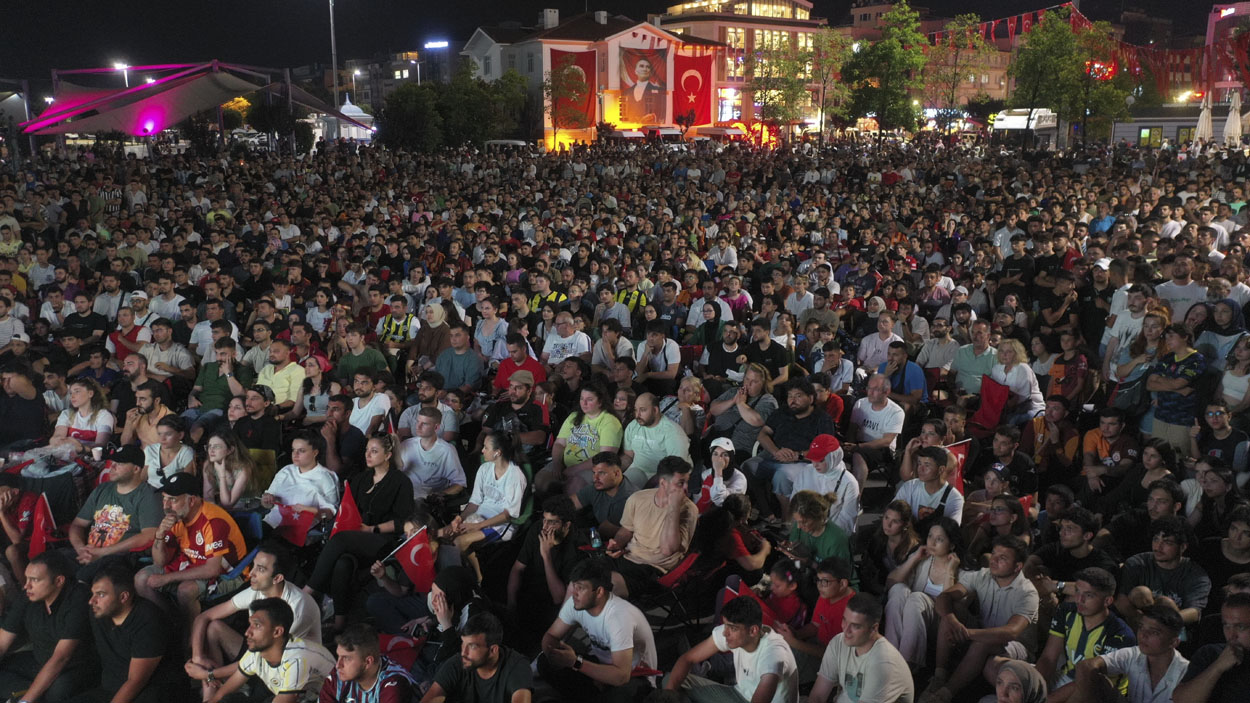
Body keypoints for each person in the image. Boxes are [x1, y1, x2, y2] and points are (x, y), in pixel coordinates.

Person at [305, 433, 414, 633]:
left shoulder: (401, 481)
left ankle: (307, 592)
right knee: (342, 563)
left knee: (340, 540)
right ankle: (340, 622)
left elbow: (403, 522)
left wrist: (372, 529)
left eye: (374, 451)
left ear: (388, 455)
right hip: (356, 538)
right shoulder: (361, 478)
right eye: (367, 450)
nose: (368, 455)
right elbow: (347, 509)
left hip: (383, 539)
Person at [187, 543, 321, 697]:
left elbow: (259, 659)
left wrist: (209, 674)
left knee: (212, 676)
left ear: (277, 578)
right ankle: (217, 691)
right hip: (259, 653)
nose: (251, 573)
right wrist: (198, 658)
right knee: (213, 628)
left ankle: (226, 688)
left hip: (287, 671)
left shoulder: (296, 609)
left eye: (260, 569)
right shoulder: (258, 591)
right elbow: (204, 617)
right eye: (254, 566)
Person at [922, 536, 1040, 703]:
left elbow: (1011, 632)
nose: (994, 560)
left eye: (1002, 558)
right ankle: (939, 677)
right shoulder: (983, 575)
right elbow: (944, 597)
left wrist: (967, 633)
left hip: (1017, 645)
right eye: (994, 554)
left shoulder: (1027, 592)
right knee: (952, 610)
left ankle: (945, 694)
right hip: (981, 630)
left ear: (1017, 566)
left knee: (983, 642)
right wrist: (952, 620)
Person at [136, 473, 248, 630]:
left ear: (191, 500)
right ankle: (171, 623)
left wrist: (167, 579)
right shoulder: (176, 517)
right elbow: (160, 562)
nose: (166, 506)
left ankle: (190, 635)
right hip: (190, 562)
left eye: (173, 500)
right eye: (164, 498)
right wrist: (160, 535)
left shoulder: (213, 521)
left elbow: (212, 569)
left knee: (185, 590)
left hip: (227, 574)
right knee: (141, 579)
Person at [538, 559, 656, 703]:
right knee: (544, 662)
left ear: (599, 591)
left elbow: (621, 676)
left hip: (633, 675)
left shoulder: (619, 618)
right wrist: (554, 654)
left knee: (620, 695)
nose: (574, 593)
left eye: (580, 588)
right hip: (600, 664)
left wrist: (575, 663)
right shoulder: (576, 603)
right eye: (573, 586)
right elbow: (551, 635)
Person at [187, 598, 336, 703]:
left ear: (277, 632)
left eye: (257, 625)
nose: (247, 632)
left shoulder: (296, 659)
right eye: (250, 624)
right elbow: (233, 682)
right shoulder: (257, 651)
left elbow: (284, 700)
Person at [72, 562, 176, 703]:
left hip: (147, 692)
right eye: (93, 594)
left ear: (123, 597)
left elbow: (136, 681)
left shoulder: (149, 620)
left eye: (101, 594)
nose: (92, 601)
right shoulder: (99, 612)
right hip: (110, 689)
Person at [665, 595, 799, 703]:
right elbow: (688, 659)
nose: (725, 633)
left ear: (753, 630)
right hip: (739, 694)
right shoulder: (734, 634)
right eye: (725, 625)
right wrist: (669, 697)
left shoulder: (774, 654)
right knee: (671, 681)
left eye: (732, 628)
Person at [1029, 568, 1136, 701]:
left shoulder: (1120, 634)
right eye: (1077, 591)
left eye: (1089, 595)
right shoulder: (1067, 611)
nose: (1080, 599)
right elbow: (1049, 658)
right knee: (1018, 675)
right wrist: (1033, 690)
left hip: (1101, 693)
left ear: (1107, 601)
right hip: (1066, 678)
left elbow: (1090, 681)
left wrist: (1046, 700)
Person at [440, 431, 528, 581]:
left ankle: (457, 580)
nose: (482, 450)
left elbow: (509, 514)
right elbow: (474, 502)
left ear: (497, 452)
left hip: (500, 525)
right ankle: (478, 577)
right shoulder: (484, 469)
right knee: (445, 536)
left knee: (459, 542)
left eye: (486, 447)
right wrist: (460, 518)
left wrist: (478, 526)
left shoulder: (515, 476)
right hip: (477, 518)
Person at [67, 444, 162, 581]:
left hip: (120, 558)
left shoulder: (149, 494)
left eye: (120, 463)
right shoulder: (102, 489)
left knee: (83, 577)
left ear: (136, 469)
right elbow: (78, 524)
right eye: (113, 462)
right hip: (88, 553)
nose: (112, 467)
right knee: (49, 563)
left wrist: (102, 553)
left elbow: (149, 535)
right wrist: (81, 549)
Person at [606, 456, 697, 597]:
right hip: (628, 558)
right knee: (585, 573)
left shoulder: (689, 509)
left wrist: (674, 507)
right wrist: (617, 543)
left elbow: (668, 549)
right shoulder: (638, 498)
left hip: (654, 569)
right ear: (663, 483)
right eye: (680, 483)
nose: (686, 488)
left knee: (607, 585)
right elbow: (626, 530)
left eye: (686, 482)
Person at [885, 516, 964, 670]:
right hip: (911, 624)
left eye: (939, 539)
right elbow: (891, 584)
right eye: (930, 536)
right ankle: (890, 654)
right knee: (898, 589)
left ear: (952, 545)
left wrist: (950, 571)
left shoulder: (960, 570)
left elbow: (949, 607)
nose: (932, 543)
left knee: (917, 598)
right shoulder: (923, 561)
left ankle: (908, 665)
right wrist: (914, 558)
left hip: (939, 626)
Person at [806, 593, 914, 703]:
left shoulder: (883, 663)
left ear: (874, 628)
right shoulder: (839, 642)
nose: (846, 630)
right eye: (844, 620)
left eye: (855, 626)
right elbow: (818, 696)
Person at [1070, 604, 1190, 703]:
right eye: (1141, 627)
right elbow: (1085, 666)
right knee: (1094, 678)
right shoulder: (1134, 653)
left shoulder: (1185, 672)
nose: (1143, 635)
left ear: (1174, 642)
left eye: (1154, 632)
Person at [1114, 516, 1211, 633]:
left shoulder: (1195, 574)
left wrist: (1161, 623)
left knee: (1165, 603)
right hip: (1139, 625)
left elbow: (1194, 612)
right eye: (1156, 539)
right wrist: (1144, 621)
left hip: (1172, 629)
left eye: (1167, 542)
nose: (1158, 546)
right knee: (1141, 593)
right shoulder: (1137, 563)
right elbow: (1120, 600)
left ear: (1182, 547)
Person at [1173, 592, 1250, 703]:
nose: (1231, 635)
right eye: (1226, 625)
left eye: (1240, 627)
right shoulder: (1210, 654)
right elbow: (1182, 701)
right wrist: (1217, 667)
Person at [322, 623, 418, 703]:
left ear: (368, 662)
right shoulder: (338, 675)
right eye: (338, 656)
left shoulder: (394, 684)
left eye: (346, 658)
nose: (338, 665)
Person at [846, 374, 905, 488]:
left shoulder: (896, 412)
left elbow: (886, 441)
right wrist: (850, 444)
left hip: (882, 449)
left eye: (876, 389)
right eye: (869, 388)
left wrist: (858, 447)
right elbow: (852, 429)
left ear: (886, 392)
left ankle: (855, 495)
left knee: (859, 455)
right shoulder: (861, 403)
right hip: (859, 443)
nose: (870, 392)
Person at [621, 393, 692, 487]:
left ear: (655, 410)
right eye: (636, 410)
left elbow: (677, 467)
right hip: (637, 471)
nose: (637, 415)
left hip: (665, 476)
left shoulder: (672, 431)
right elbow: (628, 456)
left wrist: (652, 484)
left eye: (643, 410)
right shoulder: (633, 426)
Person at [401, 406, 468, 500]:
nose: (418, 426)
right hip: (403, 493)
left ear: (436, 427)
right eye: (417, 421)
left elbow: (459, 483)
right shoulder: (406, 444)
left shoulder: (447, 450)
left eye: (424, 424)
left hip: (427, 499)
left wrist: (439, 495)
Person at [573, 452, 637, 540]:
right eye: (594, 473)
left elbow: (604, 532)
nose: (595, 478)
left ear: (617, 474)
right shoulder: (598, 486)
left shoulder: (628, 499)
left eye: (601, 473)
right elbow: (569, 504)